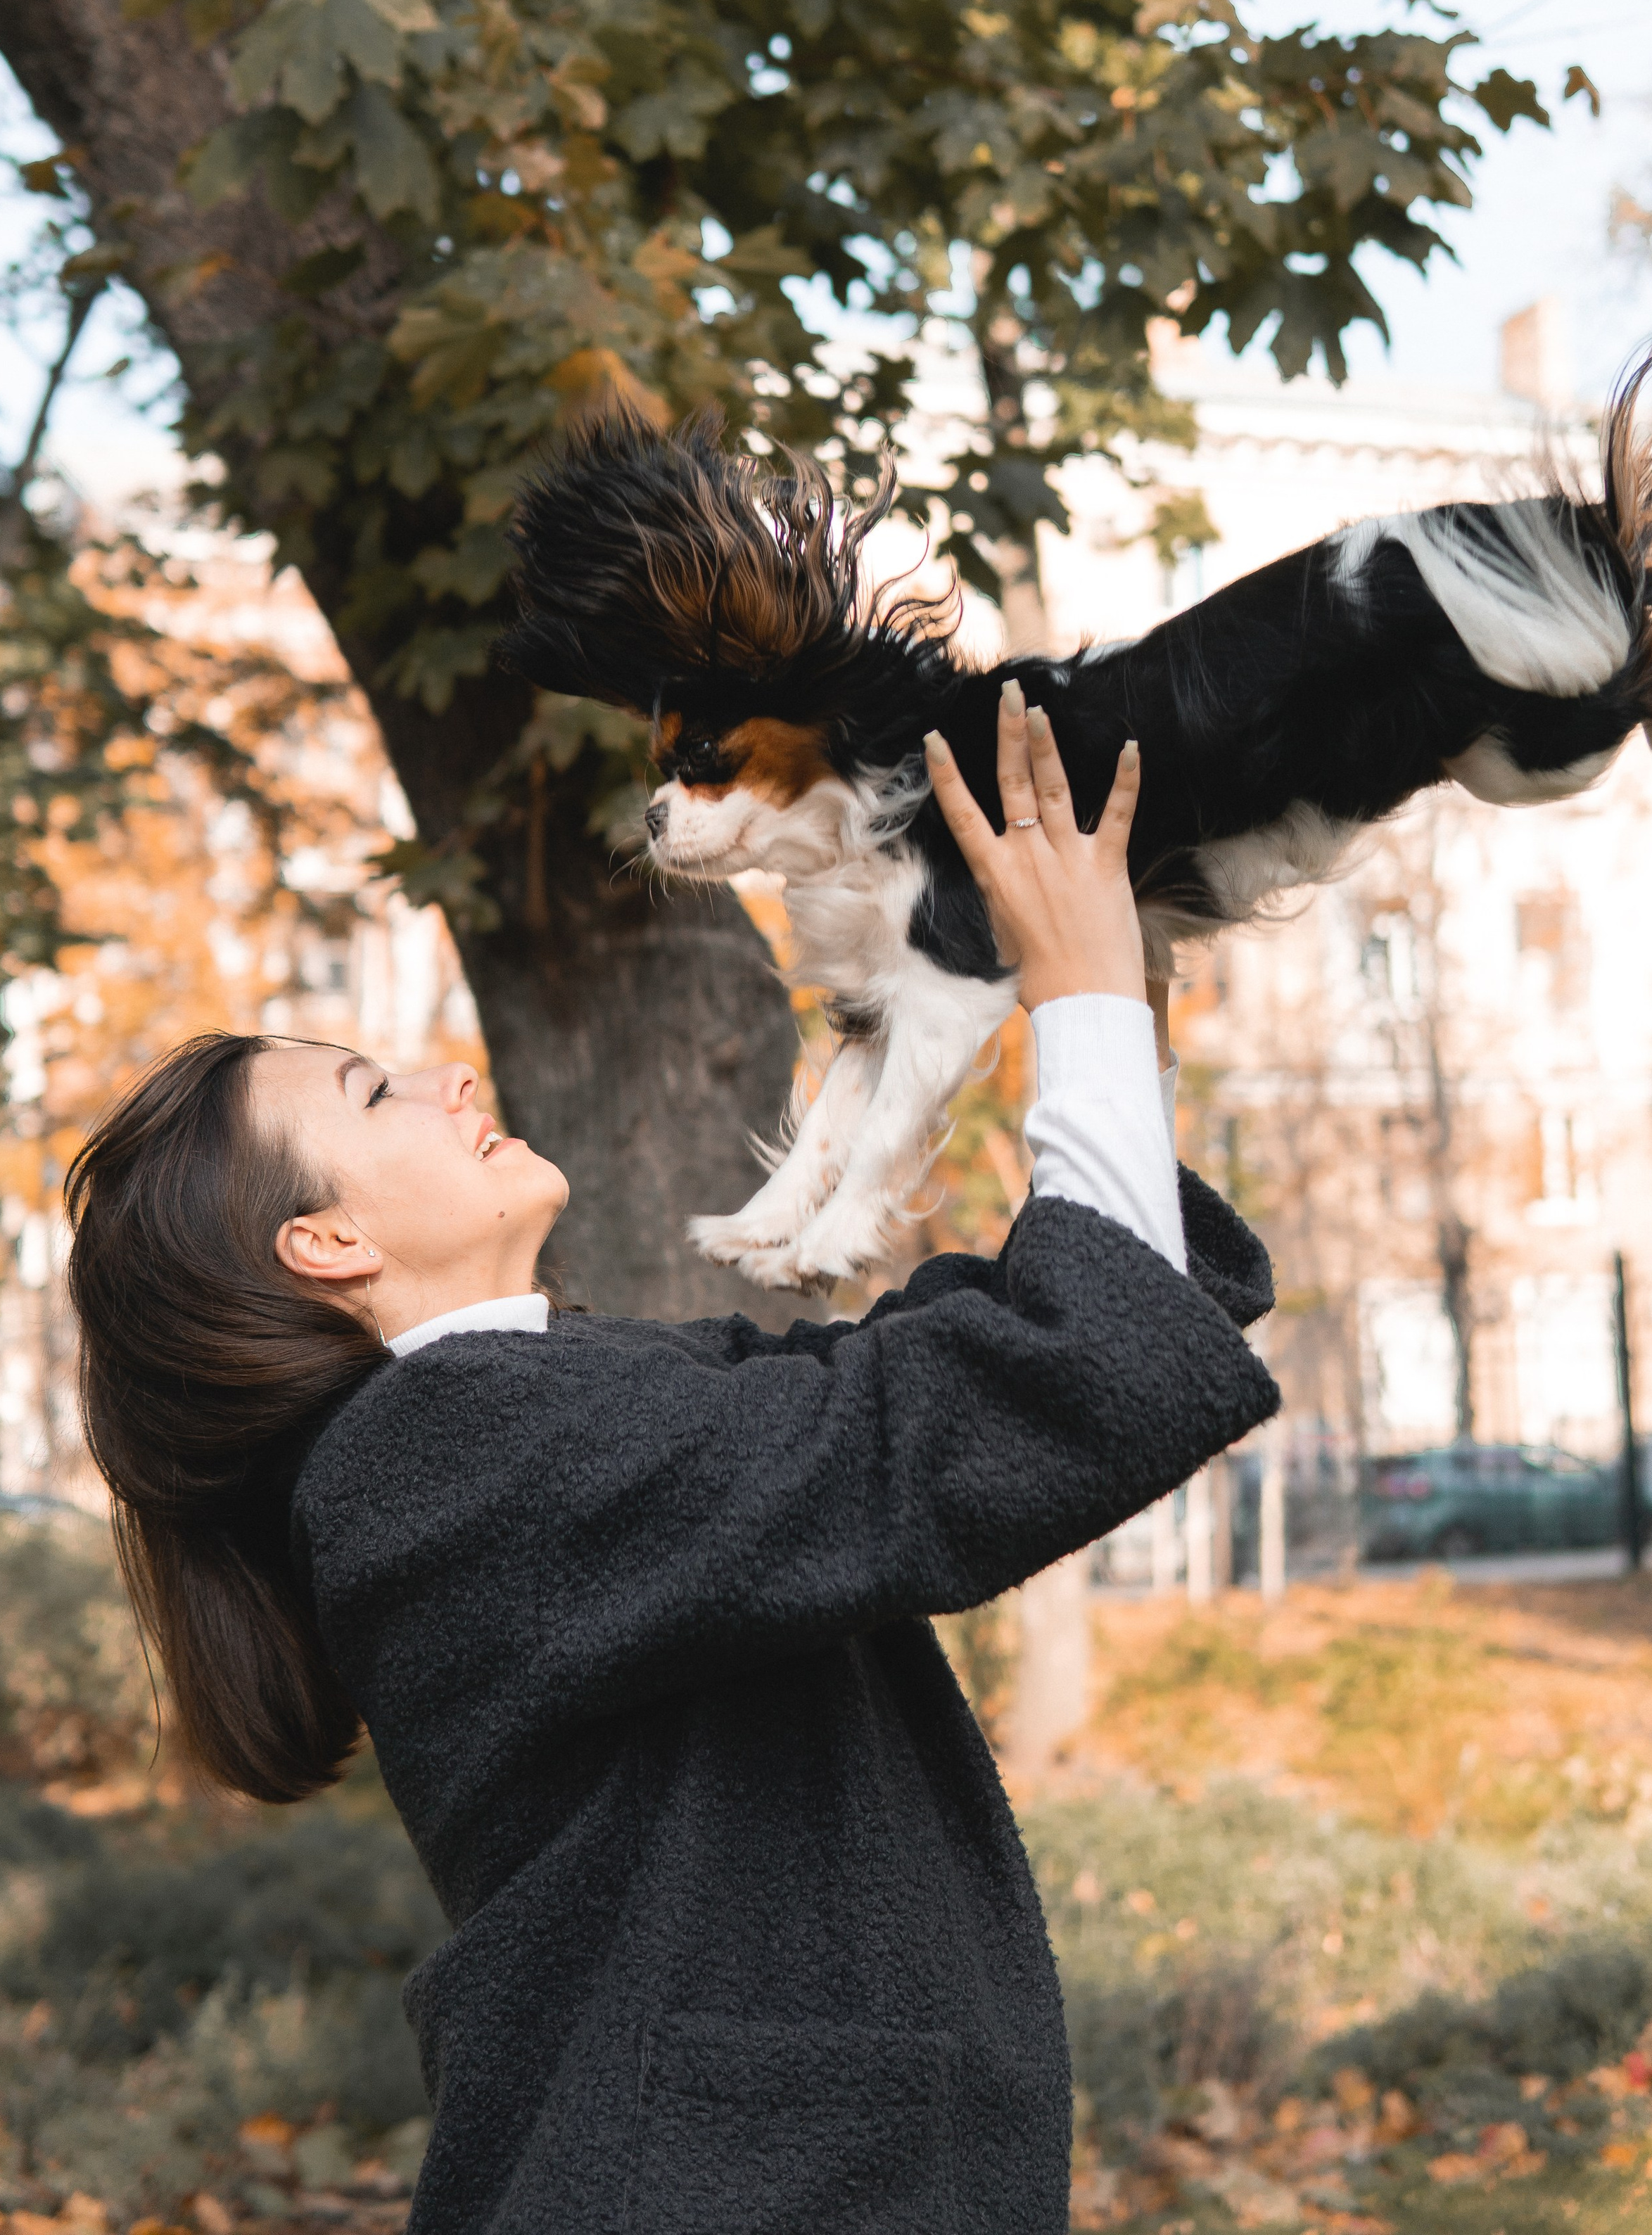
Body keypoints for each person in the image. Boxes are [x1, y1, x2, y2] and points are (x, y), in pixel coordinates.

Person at [67, 691, 1278, 2235]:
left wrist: (1113, 1005)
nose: (444, 1077)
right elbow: (993, 1411)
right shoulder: (447, 1457)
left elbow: (984, 1368)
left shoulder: (533, 1410)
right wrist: (1083, 1002)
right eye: (372, 1092)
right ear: (328, 1241)